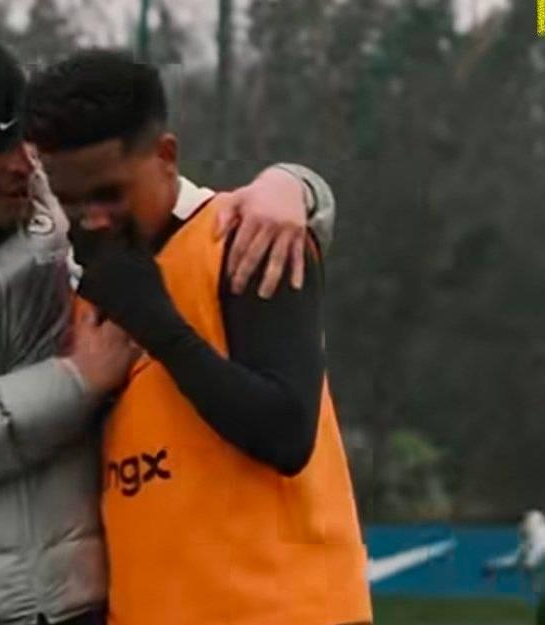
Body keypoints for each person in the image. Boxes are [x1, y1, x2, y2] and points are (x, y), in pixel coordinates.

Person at [0, 14, 339, 625]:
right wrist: (76, 383)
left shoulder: (53, 210)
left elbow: (177, 204)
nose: (24, 165)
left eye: (23, 142)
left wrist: (295, 187)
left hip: (81, 606)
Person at [24, 49, 372, 625]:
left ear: (165, 155)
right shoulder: (83, 289)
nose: (92, 217)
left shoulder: (248, 236)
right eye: (69, 199)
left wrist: (159, 326)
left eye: (109, 193)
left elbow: (285, 433)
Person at [483, 509, 545, 624]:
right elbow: (515, 562)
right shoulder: (529, 543)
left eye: (524, 522)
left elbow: (537, 556)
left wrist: (532, 561)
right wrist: (493, 565)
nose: (521, 526)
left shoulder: (540, 540)